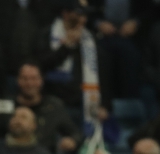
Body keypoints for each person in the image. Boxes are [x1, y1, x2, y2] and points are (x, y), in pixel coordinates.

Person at [35, 0, 110, 130]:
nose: (83, 19)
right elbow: (41, 65)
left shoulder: (90, 39)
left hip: (82, 105)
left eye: (85, 15)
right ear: (66, 14)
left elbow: (102, 73)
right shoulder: (46, 34)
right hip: (50, 103)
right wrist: (66, 47)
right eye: (79, 14)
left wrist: (104, 104)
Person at [6, 63, 81, 154]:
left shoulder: (54, 106)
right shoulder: (6, 106)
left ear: (41, 80)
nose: (29, 83)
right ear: (17, 80)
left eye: (34, 79)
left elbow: (75, 133)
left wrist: (72, 140)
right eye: (24, 79)